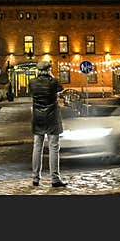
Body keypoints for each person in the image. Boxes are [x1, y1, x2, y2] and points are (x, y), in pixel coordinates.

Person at [30, 60, 67, 188]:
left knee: (37, 147)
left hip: (38, 118)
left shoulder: (32, 82)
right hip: (52, 117)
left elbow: (32, 94)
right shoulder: (54, 82)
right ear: (49, 70)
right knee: (54, 148)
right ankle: (55, 179)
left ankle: (35, 178)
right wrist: (51, 77)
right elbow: (61, 89)